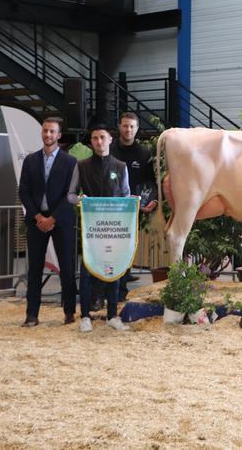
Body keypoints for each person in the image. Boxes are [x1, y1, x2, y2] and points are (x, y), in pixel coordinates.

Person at [68, 123, 131, 333]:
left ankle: (113, 315)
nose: (99, 142)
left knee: (113, 271)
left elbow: (126, 195)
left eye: (102, 137)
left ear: (110, 140)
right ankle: (85, 316)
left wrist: (135, 202)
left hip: (113, 229)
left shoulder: (121, 166)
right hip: (92, 231)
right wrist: (79, 199)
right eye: (95, 138)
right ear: (91, 141)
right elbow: (70, 194)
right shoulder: (82, 166)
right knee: (87, 272)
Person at [18, 117, 78, 327]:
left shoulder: (70, 162)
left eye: (52, 131)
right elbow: (23, 191)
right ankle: (32, 315)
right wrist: (38, 217)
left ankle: (69, 312)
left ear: (59, 135)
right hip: (36, 221)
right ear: (41, 133)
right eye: (45, 131)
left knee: (67, 268)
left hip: (60, 221)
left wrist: (52, 218)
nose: (48, 135)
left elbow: (71, 194)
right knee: (34, 269)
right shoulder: (30, 160)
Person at [109, 112, 157, 301]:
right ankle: (108, 289)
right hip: (110, 209)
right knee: (109, 250)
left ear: (137, 129)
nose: (128, 129)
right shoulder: (110, 150)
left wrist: (153, 199)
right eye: (125, 126)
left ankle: (120, 290)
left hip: (133, 211)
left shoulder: (144, 153)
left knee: (127, 249)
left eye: (132, 126)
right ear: (119, 127)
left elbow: (151, 182)